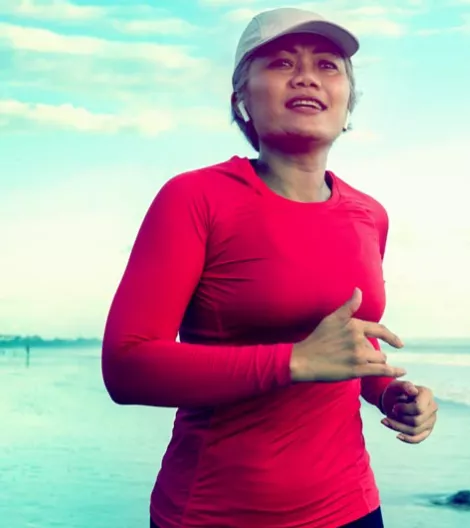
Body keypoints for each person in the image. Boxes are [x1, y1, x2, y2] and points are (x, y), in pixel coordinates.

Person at [101, 7, 438, 528]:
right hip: (216, 512)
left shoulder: (370, 214)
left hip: (352, 508)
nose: (306, 76)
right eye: (281, 63)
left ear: (348, 101)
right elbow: (127, 368)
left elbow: (346, 343)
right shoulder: (195, 198)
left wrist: (390, 392)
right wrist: (292, 362)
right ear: (242, 98)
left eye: (328, 65)